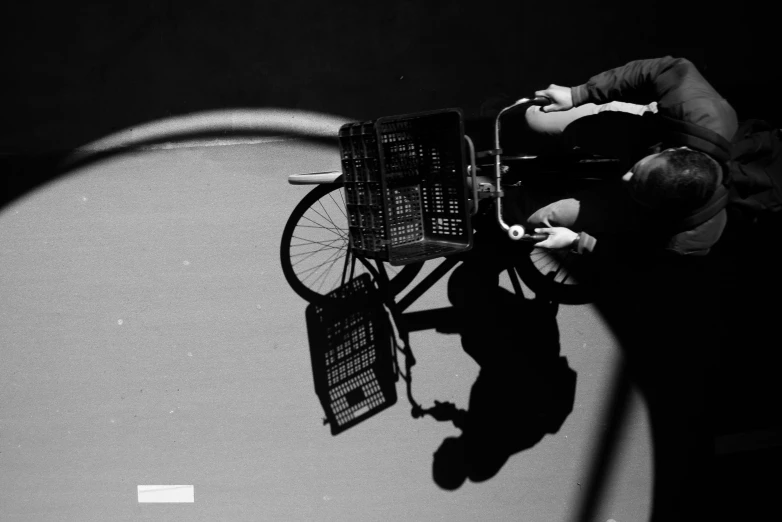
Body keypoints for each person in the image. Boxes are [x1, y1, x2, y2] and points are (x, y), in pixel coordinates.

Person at [522, 56, 738, 259]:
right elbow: (662, 69)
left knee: (542, 216)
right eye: (636, 171)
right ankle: (508, 114)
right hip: (642, 133)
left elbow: (639, 262)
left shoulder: (692, 235)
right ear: (673, 150)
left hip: (632, 209)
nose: (625, 178)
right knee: (536, 118)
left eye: (638, 186)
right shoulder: (701, 111)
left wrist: (578, 241)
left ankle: (506, 207)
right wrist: (577, 94)